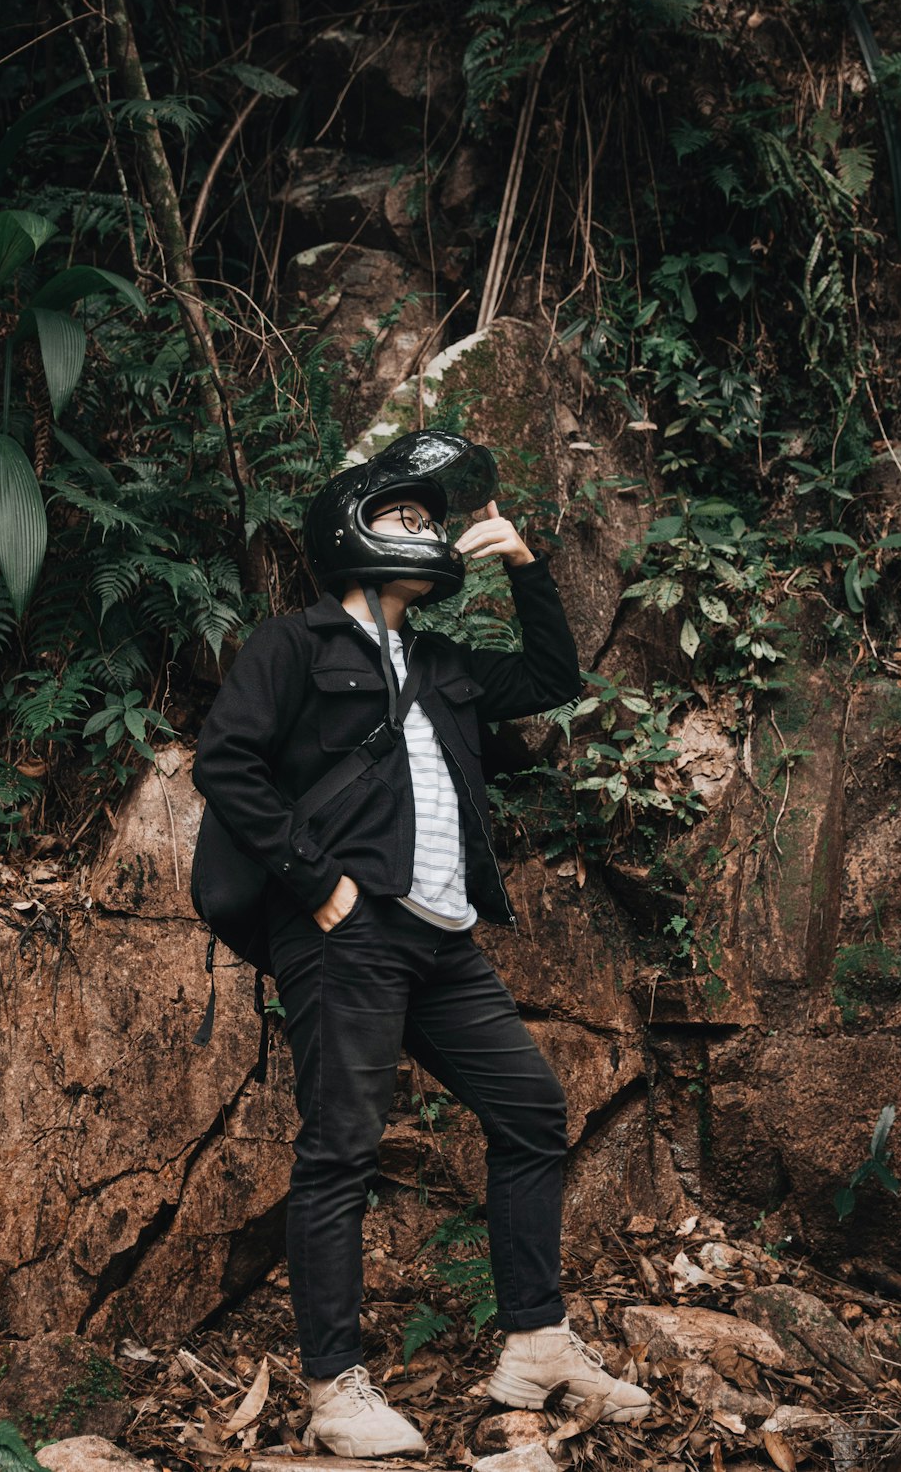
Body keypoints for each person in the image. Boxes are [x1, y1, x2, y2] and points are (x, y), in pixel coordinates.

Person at [193, 431, 651, 1457]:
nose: (429, 531)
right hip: (349, 936)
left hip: (443, 940)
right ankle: (333, 1388)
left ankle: (534, 1341)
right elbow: (226, 763)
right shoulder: (293, 646)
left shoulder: (440, 663)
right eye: (408, 516)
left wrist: (525, 563)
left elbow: (548, 675)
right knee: (341, 1150)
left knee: (532, 1109)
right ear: (352, 530)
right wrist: (320, 888)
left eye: (431, 517)